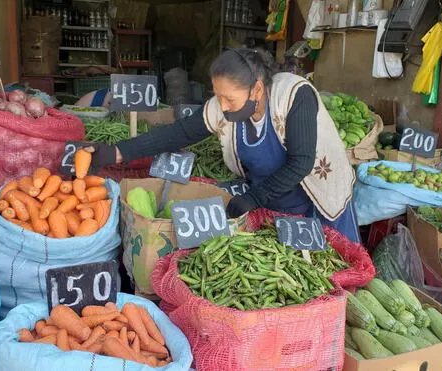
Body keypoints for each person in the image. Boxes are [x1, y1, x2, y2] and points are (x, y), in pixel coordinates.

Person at [86, 48, 361, 243]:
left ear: (256, 89)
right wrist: (118, 151)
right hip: (273, 201)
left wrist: (253, 198)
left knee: (335, 270)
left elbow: (301, 162)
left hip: (317, 197)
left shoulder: (293, 95)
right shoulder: (224, 108)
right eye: (217, 96)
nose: (222, 105)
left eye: (229, 98)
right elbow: (180, 132)